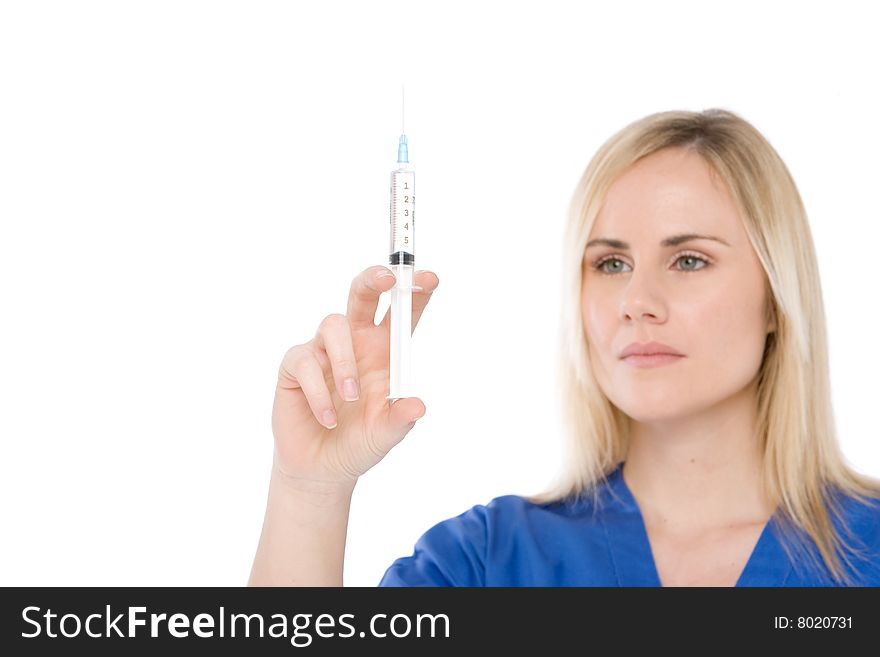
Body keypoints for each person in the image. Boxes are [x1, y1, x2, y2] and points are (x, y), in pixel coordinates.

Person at [248, 108, 880, 587]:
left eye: (689, 260)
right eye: (609, 263)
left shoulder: (866, 550)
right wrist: (309, 490)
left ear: (777, 296)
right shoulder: (488, 564)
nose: (638, 299)